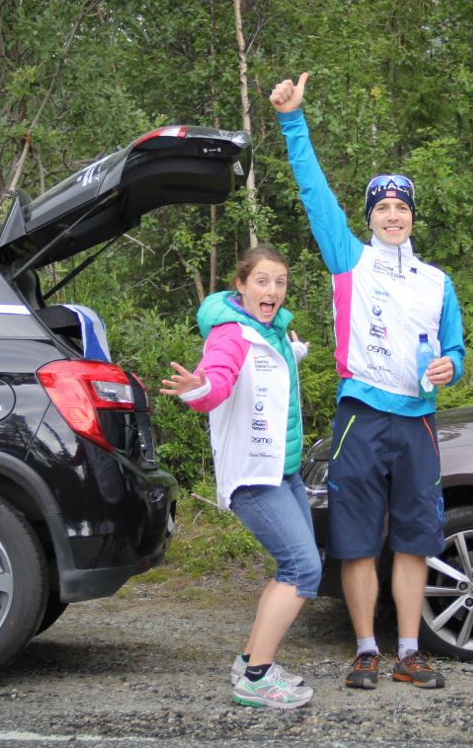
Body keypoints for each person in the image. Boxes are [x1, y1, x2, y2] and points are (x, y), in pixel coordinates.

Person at [269, 72, 466, 691]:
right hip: (359, 414)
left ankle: (409, 650)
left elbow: (456, 347)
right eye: (381, 207)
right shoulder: (348, 260)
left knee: (413, 538)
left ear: (412, 216)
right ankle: (365, 650)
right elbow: (312, 190)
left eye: (400, 206)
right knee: (355, 539)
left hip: (418, 420)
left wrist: (450, 367)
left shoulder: (438, 281)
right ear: (369, 218)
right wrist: (292, 121)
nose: (391, 215)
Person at [159, 245, 320, 711]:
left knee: (293, 567)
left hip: (283, 471)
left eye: (281, 282)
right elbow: (219, 377)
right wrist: (200, 388)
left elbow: (269, 369)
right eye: (263, 281)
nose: (272, 290)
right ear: (242, 285)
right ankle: (255, 678)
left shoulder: (270, 330)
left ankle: (251, 659)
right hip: (254, 476)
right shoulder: (232, 334)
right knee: (303, 568)